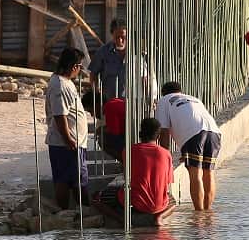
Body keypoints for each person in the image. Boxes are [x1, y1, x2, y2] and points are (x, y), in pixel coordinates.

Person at [93, 117, 175, 223]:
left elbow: (126, 177)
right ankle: (160, 217)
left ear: (140, 134)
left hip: (136, 203)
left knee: (98, 198)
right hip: (159, 205)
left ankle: (121, 219)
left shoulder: (129, 151)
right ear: (158, 136)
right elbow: (167, 182)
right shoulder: (166, 154)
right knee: (172, 201)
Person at [155, 81, 221, 211]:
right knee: (208, 172)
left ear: (163, 93)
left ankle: (199, 214)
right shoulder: (193, 98)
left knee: (195, 174)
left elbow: (164, 132)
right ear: (180, 91)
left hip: (193, 134)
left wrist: (165, 158)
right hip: (214, 133)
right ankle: (208, 213)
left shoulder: (163, 101)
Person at [45, 47, 90, 210]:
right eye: (80, 68)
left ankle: (78, 213)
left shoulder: (63, 82)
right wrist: (68, 138)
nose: (79, 71)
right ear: (74, 67)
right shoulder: (60, 85)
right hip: (66, 143)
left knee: (75, 178)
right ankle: (76, 212)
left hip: (72, 141)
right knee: (70, 179)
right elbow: (59, 115)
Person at [88, 18, 127, 102]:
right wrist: (97, 93)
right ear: (112, 34)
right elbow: (93, 74)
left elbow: (145, 77)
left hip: (131, 103)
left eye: (123, 37)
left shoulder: (135, 54)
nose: (120, 40)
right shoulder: (102, 53)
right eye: (117, 37)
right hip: (109, 102)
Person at [101, 95, 126, 162]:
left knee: (103, 138)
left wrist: (102, 130)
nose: (92, 115)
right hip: (132, 132)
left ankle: (126, 162)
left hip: (130, 137)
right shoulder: (113, 101)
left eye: (91, 111)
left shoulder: (109, 107)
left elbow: (115, 133)